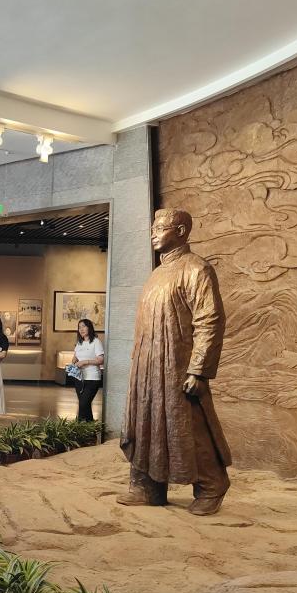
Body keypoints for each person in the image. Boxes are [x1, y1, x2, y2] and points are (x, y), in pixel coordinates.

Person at [119, 208, 233, 516]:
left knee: (188, 424)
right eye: (152, 228)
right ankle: (148, 487)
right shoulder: (157, 273)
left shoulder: (197, 269)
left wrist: (198, 369)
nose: (153, 234)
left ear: (181, 231)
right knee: (145, 422)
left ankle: (212, 485)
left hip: (177, 367)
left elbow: (210, 320)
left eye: (160, 228)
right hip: (147, 366)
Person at [72, 318, 104, 422]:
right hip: (79, 378)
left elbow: (101, 360)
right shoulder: (79, 343)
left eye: (84, 326)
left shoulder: (96, 342)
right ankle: (90, 427)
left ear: (89, 328)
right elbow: (75, 357)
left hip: (92, 378)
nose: (81, 329)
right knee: (85, 405)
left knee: (83, 404)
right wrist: (74, 361)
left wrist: (85, 362)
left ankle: (77, 427)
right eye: (79, 327)